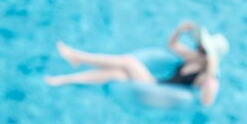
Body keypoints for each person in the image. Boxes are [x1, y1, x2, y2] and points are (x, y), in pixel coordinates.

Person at [44, 21, 229, 106]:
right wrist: (179, 30)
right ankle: (66, 79)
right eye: (200, 46)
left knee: (128, 61)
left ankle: (78, 57)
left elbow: (206, 102)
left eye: (203, 50)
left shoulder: (207, 77)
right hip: (156, 85)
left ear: (210, 57)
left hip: (158, 93)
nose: (198, 49)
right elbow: (172, 45)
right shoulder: (192, 57)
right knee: (116, 74)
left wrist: (212, 68)